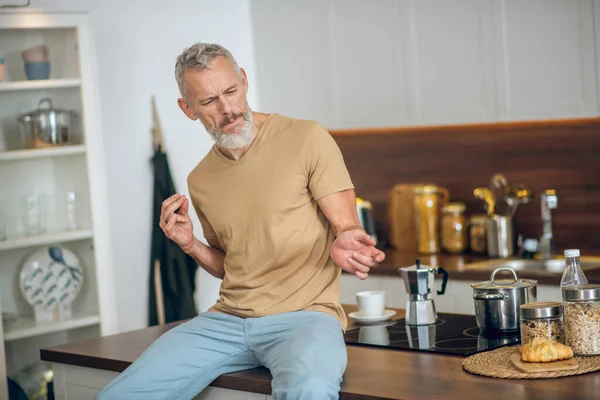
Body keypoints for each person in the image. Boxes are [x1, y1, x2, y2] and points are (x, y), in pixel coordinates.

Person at [96, 42, 385, 400]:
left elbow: (346, 225)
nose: (228, 108)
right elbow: (228, 266)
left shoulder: (306, 137)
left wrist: (347, 236)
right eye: (208, 101)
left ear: (244, 81)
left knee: (309, 389)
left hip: (305, 318)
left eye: (231, 91)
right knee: (122, 394)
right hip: (227, 321)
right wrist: (190, 245)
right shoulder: (200, 179)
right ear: (187, 109)